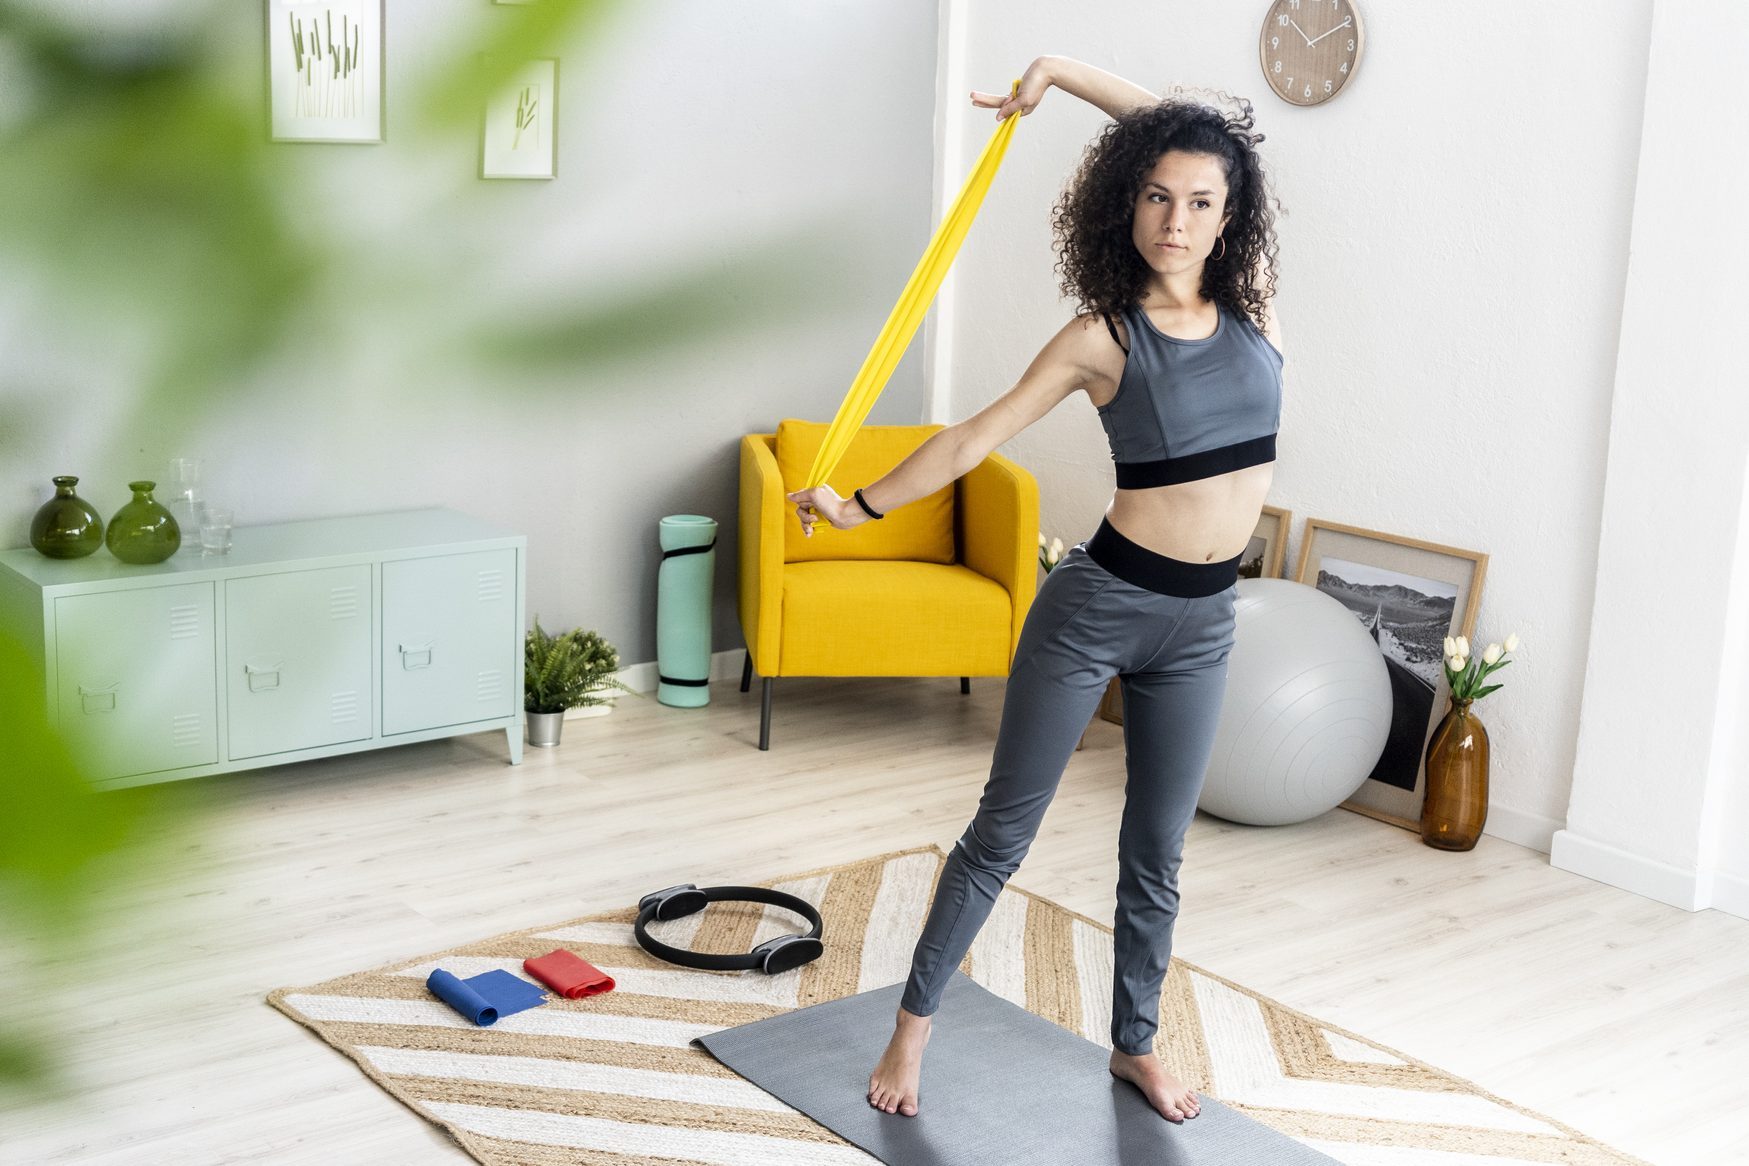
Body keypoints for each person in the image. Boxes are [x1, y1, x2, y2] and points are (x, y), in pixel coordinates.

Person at [784, 54, 1285, 1125]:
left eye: (1201, 200)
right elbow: (972, 435)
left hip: (1203, 624)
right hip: (1098, 604)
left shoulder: (1259, 310)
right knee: (1002, 834)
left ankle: (1135, 1043)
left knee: (1157, 850)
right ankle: (911, 1029)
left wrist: (1060, 71)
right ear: (1127, 201)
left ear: (1229, 212)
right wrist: (859, 506)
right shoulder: (1103, 334)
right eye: (1156, 195)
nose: (1177, 218)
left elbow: (1194, 132)